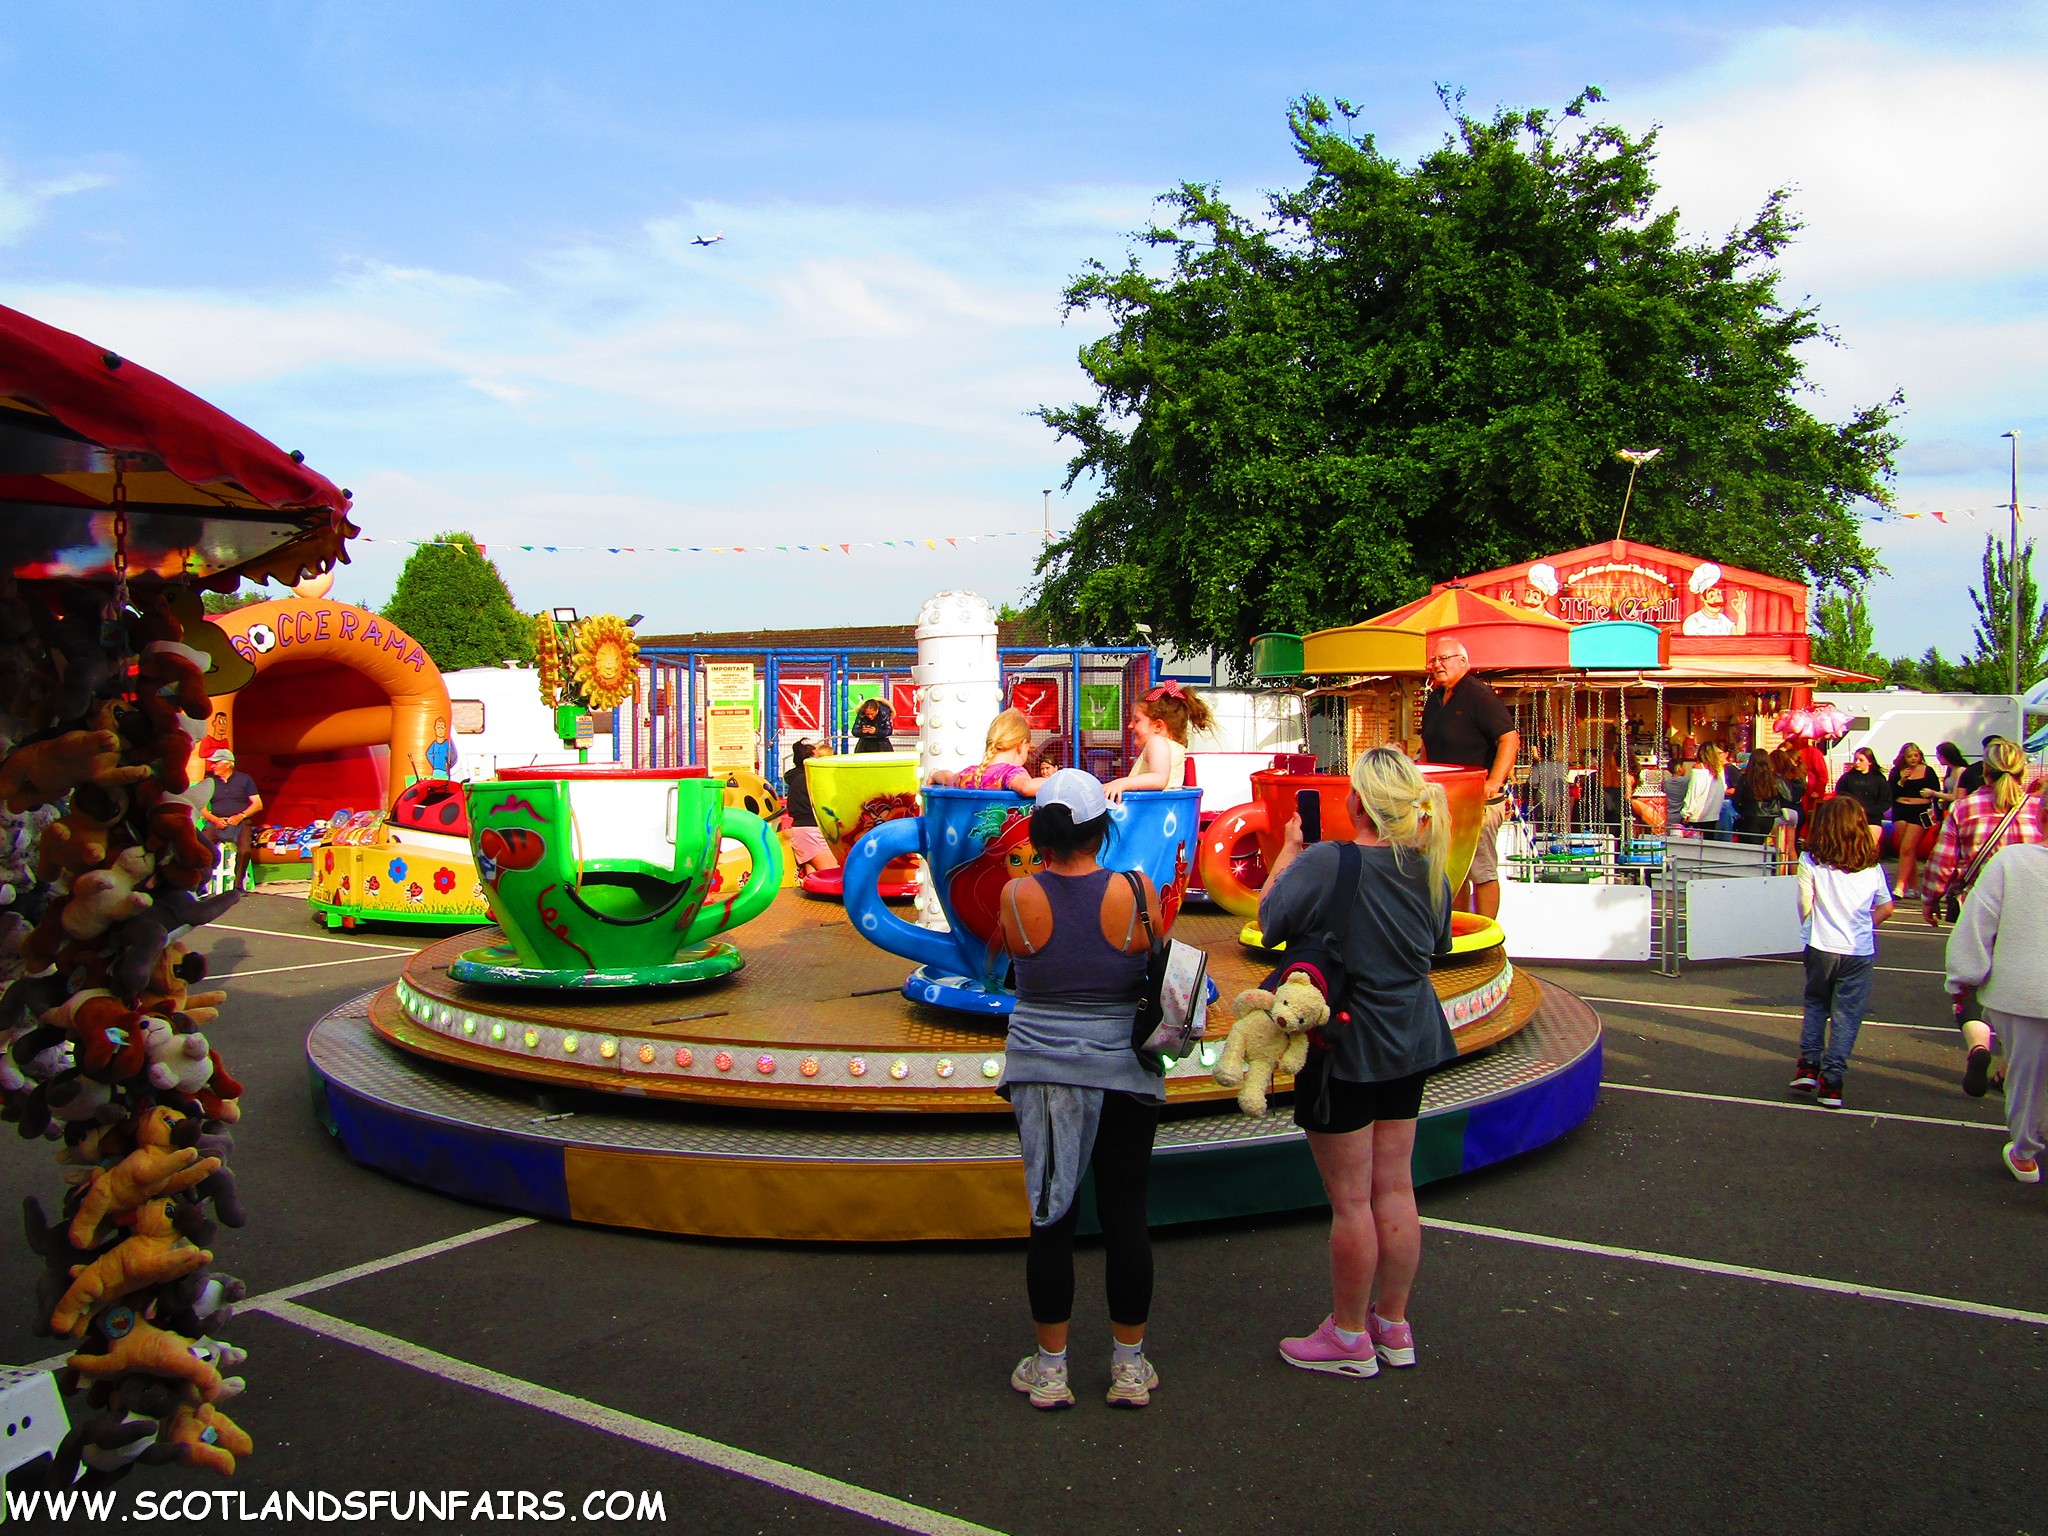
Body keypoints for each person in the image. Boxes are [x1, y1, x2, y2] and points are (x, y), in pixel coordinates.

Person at [1258, 746, 1455, 1377]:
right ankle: (1392, 1326)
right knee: (1395, 1188)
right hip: (1412, 1039)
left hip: (1345, 1045)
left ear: (1356, 803)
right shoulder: (1430, 868)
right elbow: (1440, 943)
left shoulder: (1326, 860)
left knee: (1351, 1202)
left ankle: (1347, 1337)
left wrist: (1288, 850)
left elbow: (1268, 920)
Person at [995, 769, 1167, 1411]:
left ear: (1039, 831)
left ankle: (1051, 1369)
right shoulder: (1137, 889)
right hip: (1125, 1070)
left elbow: (1020, 969)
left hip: (1042, 1072)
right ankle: (1128, 1367)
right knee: (1126, 1215)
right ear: (1102, 828)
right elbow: (1157, 960)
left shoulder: (1016, 896)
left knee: (1051, 1217)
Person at [1923, 737, 2047, 1094]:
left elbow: (1943, 860)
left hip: (1975, 905)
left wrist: (1930, 900)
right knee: (2015, 988)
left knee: (1967, 984)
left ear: (1985, 772)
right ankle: (2007, 1067)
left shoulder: (1964, 808)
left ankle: (1978, 1044)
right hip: (2027, 910)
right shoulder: (2035, 808)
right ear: (2024, 771)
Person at [1945, 841, 2048, 1183]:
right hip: (2024, 991)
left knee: (2026, 1077)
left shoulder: (2012, 860)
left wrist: (1964, 976)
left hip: (2023, 991)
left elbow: (1978, 920)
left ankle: (2025, 1151)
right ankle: (2023, 1152)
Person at [1790, 796, 1895, 1109]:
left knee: (1816, 1003)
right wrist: (1865, 924)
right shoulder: (1871, 867)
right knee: (1847, 1015)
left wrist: (1809, 927)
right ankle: (1832, 1080)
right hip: (1858, 949)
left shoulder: (1811, 860)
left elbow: (1804, 902)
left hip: (1820, 944)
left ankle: (1808, 1064)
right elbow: (1886, 907)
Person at [1418, 639, 1519, 918]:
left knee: (1480, 869)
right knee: (1450, 868)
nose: (1437, 664)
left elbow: (1509, 739)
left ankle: (1485, 938)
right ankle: (1456, 933)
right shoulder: (1435, 698)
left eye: (1444, 658)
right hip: (1443, 799)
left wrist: (1493, 782)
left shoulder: (1479, 696)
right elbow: (1427, 745)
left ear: (1463, 661)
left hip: (1478, 802)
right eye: (1434, 660)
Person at [1103, 682, 1212, 802]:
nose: (1130, 725)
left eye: (1137, 720)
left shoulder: (1156, 742)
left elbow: (1159, 778)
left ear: (1158, 726)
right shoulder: (1173, 747)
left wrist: (1121, 783)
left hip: (1149, 816)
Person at [929, 709, 1049, 796]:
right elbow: (1026, 787)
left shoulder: (968, 774)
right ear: (1021, 746)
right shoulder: (1010, 773)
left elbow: (947, 777)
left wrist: (935, 775)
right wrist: (1060, 779)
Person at [199, 751, 263, 892]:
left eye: (216, 763)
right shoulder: (209, 781)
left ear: (228, 764)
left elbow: (258, 804)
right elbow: (201, 807)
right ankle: (200, 883)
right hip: (216, 822)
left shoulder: (245, 779)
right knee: (201, 847)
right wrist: (215, 819)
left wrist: (241, 815)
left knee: (245, 850)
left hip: (240, 822)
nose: (212, 766)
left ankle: (238, 885)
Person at [1888, 743, 1941, 898]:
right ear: (1904, 757)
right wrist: (1901, 781)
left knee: (1907, 848)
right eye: (1909, 756)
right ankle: (1914, 887)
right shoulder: (1897, 772)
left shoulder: (1928, 771)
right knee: (1907, 851)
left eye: (1916, 755)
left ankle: (1900, 886)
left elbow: (1935, 793)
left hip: (1920, 812)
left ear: (1920, 756)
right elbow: (1890, 792)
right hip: (1901, 810)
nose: (1913, 759)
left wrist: (1936, 815)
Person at [781, 740, 836, 878]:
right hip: (812, 829)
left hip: (801, 830)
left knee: (814, 875)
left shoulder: (797, 779)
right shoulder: (809, 779)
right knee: (832, 874)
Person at [1731, 749, 1792, 844]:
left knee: (1752, 847)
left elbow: (1735, 800)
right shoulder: (1774, 778)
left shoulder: (1745, 778)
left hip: (1751, 816)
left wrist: (1743, 811)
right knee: (1762, 844)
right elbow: (1788, 797)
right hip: (1769, 818)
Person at [1833, 748, 1889, 848]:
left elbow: (1885, 801)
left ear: (1870, 762)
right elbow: (1840, 795)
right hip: (1851, 818)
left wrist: (1868, 810)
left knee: (1870, 847)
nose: (1857, 762)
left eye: (1861, 760)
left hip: (1872, 819)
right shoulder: (1847, 778)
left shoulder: (1879, 779)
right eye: (1855, 759)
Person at [1524, 737, 1571, 833]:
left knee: (1542, 833)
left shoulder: (1539, 766)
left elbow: (1533, 783)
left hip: (1543, 804)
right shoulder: (1563, 766)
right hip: (1560, 805)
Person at [1679, 744, 1728, 836]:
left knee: (1694, 844)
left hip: (1697, 815)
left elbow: (1693, 791)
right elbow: (1723, 788)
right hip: (1713, 814)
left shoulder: (1698, 768)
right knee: (1708, 843)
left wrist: (1686, 812)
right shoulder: (1719, 769)